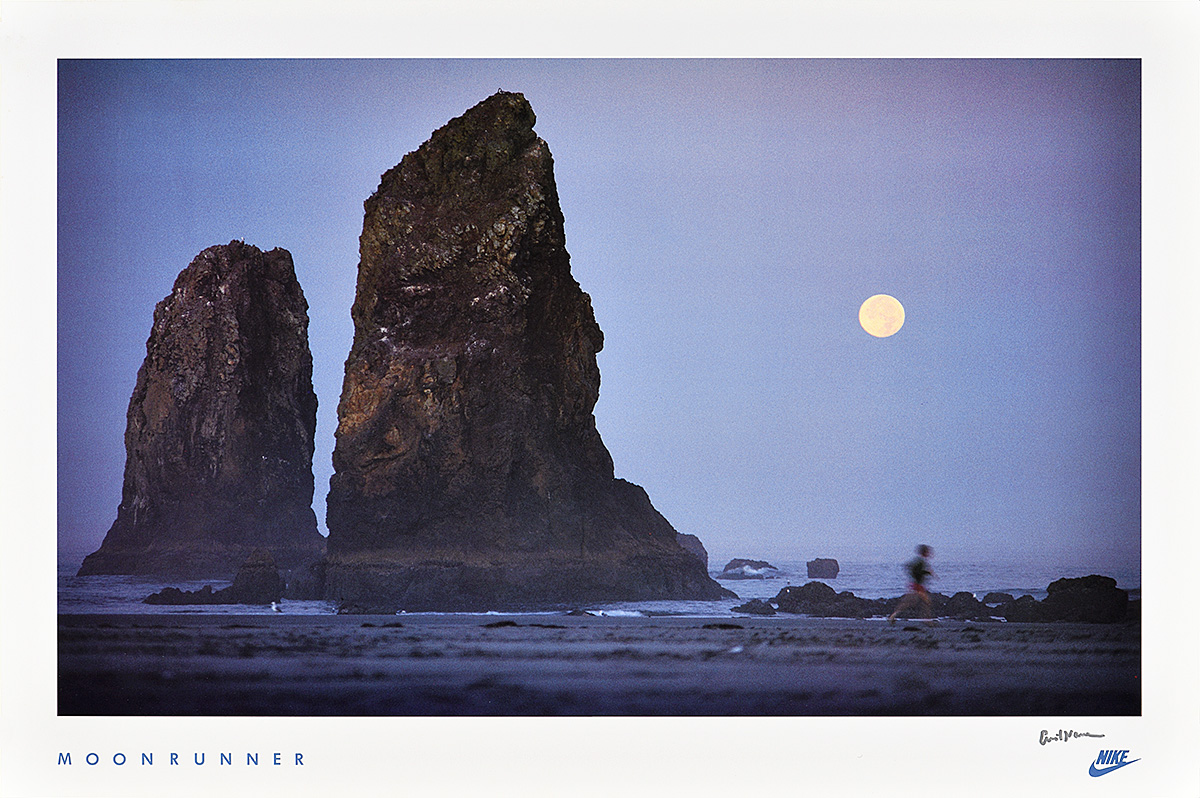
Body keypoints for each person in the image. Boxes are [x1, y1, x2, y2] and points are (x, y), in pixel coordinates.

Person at [888, 544, 934, 624]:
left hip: (916, 585)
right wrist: (926, 572)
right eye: (928, 552)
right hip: (917, 586)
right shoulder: (920, 561)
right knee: (921, 602)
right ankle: (927, 620)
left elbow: (909, 567)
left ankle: (927, 620)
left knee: (914, 603)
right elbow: (917, 571)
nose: (929, 553)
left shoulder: (919, 560)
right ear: (925, 552)